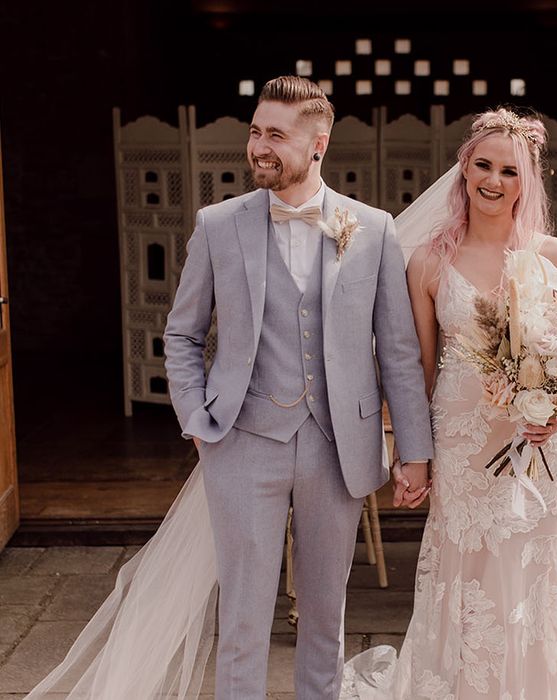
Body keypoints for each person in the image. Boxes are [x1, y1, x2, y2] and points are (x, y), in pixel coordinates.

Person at [24, 76, 433, 700]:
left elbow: (400, 351)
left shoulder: (371, 229)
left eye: (276, 135)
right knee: (242, 619)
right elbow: (182, 333)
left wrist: (415, 449)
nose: (259, 147)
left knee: (327, 616)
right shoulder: (218, 225)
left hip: (339, 448)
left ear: (318, 144)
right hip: (242, 444)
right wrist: (196, 417)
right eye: (254, 131)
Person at [341, 108, 557, 698]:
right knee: (470, 571)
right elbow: (414, 367)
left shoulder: (554, 256)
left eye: (508, 171)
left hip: (539, 444)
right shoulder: (429, 262)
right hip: (464, 445)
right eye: (482, 165)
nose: (493, 180)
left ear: (527, 181)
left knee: (535, 573)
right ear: (463, 170)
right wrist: (410, 454)